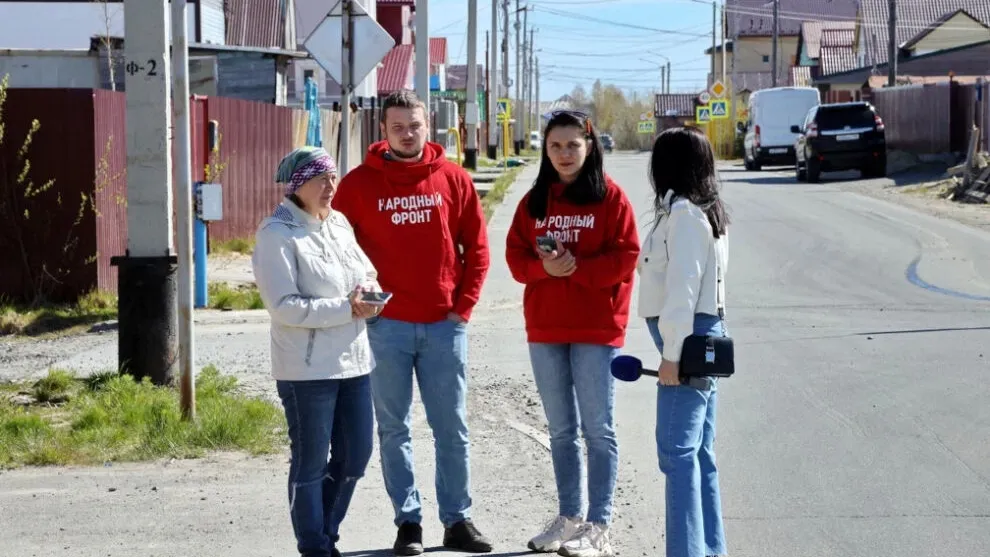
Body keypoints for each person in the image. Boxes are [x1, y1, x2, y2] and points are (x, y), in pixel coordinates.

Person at [331, 89, 493, 555]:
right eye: (397, 126)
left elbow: (477, 249)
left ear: (429, 127)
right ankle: (408, 523)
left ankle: (457, 520)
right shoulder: (359, 185)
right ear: (383, 130)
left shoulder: (453, 179)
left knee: (452, 428)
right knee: (394, 428)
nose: (407, 134)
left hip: (444, 325)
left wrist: (462, 307)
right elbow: (341, 253)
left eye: (415, 126)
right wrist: (359, 299)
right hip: (386, 329)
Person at [505, 110, 640, 557]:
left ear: (590, 146)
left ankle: (598, 524)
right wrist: (542, 268)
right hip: (545, 328)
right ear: (546, 151)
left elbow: (625, 257)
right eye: (556, 146)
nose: (564, 154)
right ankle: (569, 518)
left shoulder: (612, 199)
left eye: (573, 145)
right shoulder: (534, 202)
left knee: (597, 429)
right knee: (561, 430)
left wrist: (577, 269)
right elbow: (515, 258)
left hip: (596, 328)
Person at [252, 146, 385, 557]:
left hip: (355, 361)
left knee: (356, 456)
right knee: (311, 463)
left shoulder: (339, 222)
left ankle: (325, 533)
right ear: (297, 184)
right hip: (306, 370)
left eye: (332, 177)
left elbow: (366, 270)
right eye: (320, 178)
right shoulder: (276, 233)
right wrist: (346, 307)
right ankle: (315, 547)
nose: (331, 186)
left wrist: (368, 294)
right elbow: (284, 306)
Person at [637, 127, 731, 557]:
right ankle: (709, 549)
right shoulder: (700, 212)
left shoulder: (686, 216)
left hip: (688, 341)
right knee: (699, 455)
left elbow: (682, 292)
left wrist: (672, 357)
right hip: (698, 338)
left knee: (676, 455)